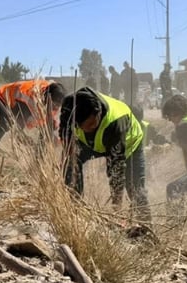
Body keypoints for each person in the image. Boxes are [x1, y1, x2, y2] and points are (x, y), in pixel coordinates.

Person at [60, 87, 150, 217]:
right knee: (69, 161)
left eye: (91, 124)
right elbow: (64, 130)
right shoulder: (69, 106)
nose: (88, 129)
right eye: (83, 126)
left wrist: (116, 209)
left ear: (98, 112)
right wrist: (68, 148)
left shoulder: (116, 122)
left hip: (129, 147)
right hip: (92, 144)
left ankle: (145, 226)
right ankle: (75, 210)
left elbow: (116, 169)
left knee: (136, 189)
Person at [0, 79, 65, 162]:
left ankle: (38, 162)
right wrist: (24, 138)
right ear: (46, 98)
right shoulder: (27, 98)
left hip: (26, 105)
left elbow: (48, 126)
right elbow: (18, 128)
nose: (55, 108)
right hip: (3, 99)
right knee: (6, 124)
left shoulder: (54, 98)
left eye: (58, 106)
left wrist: (53, 136)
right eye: (53, 105)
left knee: (46, 131)